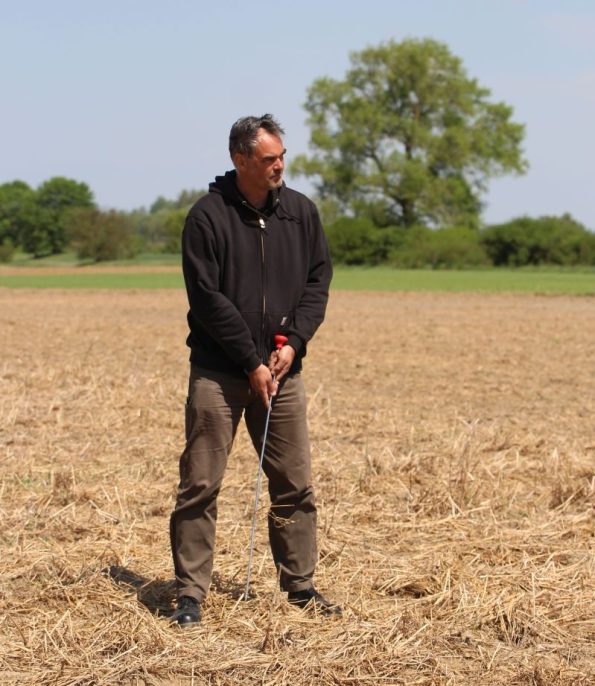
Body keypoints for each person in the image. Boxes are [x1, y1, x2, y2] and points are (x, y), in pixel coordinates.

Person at [169, 114, 339, 626]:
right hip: (219, 374)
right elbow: (207, 299)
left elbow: (318, 281)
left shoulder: (301, 213)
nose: (279, 165)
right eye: (269, 158)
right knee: (200, 485)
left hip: (283, 374)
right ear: (240, 159)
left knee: (294, 484)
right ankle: (189, 596)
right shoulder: (207, 217)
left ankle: (300, 587)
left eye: (282, 155)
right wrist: (249, 361)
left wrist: (295, 344)